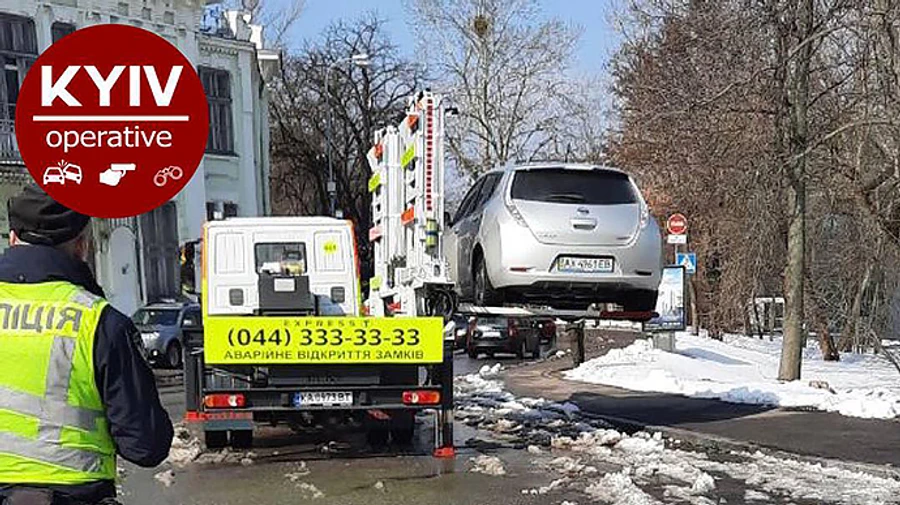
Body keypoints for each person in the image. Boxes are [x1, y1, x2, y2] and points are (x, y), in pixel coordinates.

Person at [0, 185, 173, 504]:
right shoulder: (101, 323)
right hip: (75, 494)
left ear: (12, 239)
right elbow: (146, 446)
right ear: (82, 247)